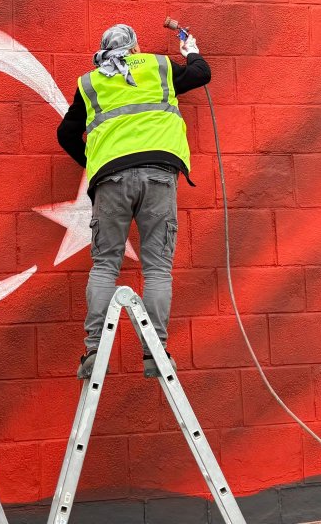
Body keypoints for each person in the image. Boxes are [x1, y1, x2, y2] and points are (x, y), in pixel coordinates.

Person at [56, 23, 211, 379]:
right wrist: (190, 49)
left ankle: (94, 350)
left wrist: (94, 163)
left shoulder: (91, 82)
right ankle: (155, 353)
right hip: (159, 175)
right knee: (157, 267)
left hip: (110, 179)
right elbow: (202, 73)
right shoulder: (159, 66)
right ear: (136, 47)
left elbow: (66, 134)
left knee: (105, 265)